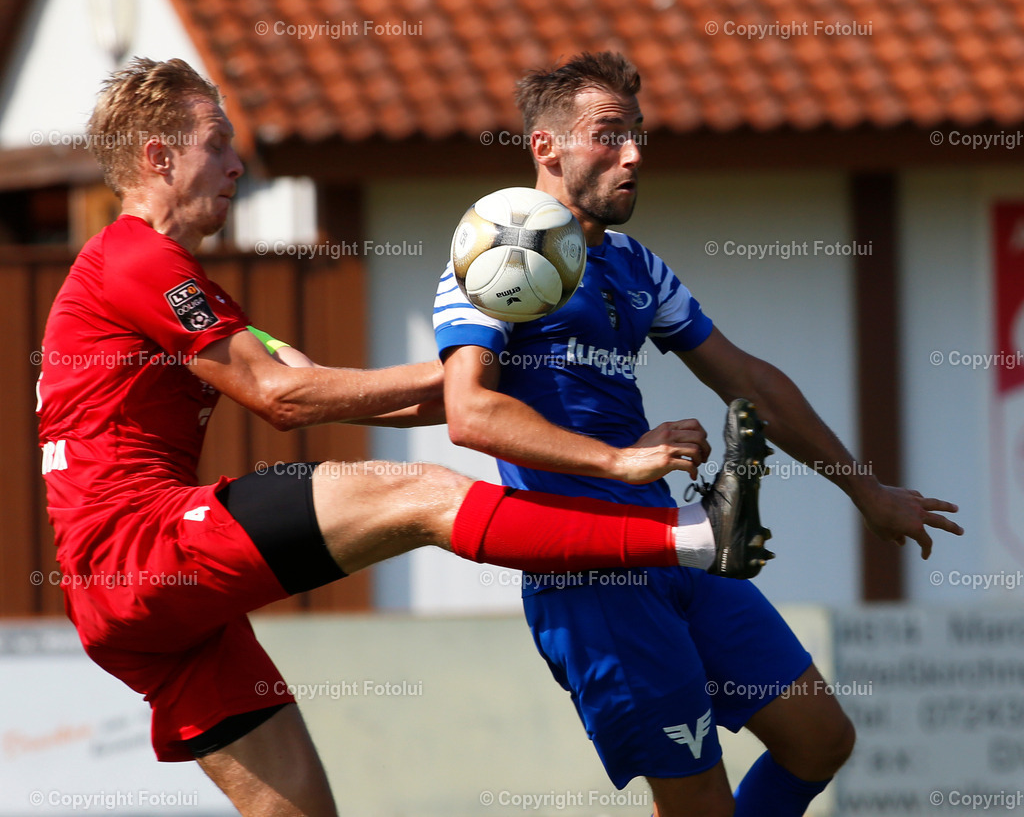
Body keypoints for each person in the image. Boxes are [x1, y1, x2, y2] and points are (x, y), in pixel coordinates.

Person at [36, 57, 774, 817]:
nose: (237, 163)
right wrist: (485, 370)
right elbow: (281, 398)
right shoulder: (137, 258)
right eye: (217, 143)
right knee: (419, 493)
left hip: (138, 607)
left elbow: (314, 381)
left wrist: (484, 371)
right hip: (138, 548)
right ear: (158, 156)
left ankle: (688, 538)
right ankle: (690, 537)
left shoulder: (169, 280)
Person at [434, 51, 964, 817]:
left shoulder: (635, 267)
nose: (634, 154)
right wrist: (620, 460)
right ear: (545, 146)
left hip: (679, 545)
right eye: (608, 135)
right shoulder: (496, 251)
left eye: (637, 133)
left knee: (820, 739)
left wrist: (867, 491)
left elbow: (749, 382)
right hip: (591, 576)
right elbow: (469, 412)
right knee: (699, 804)